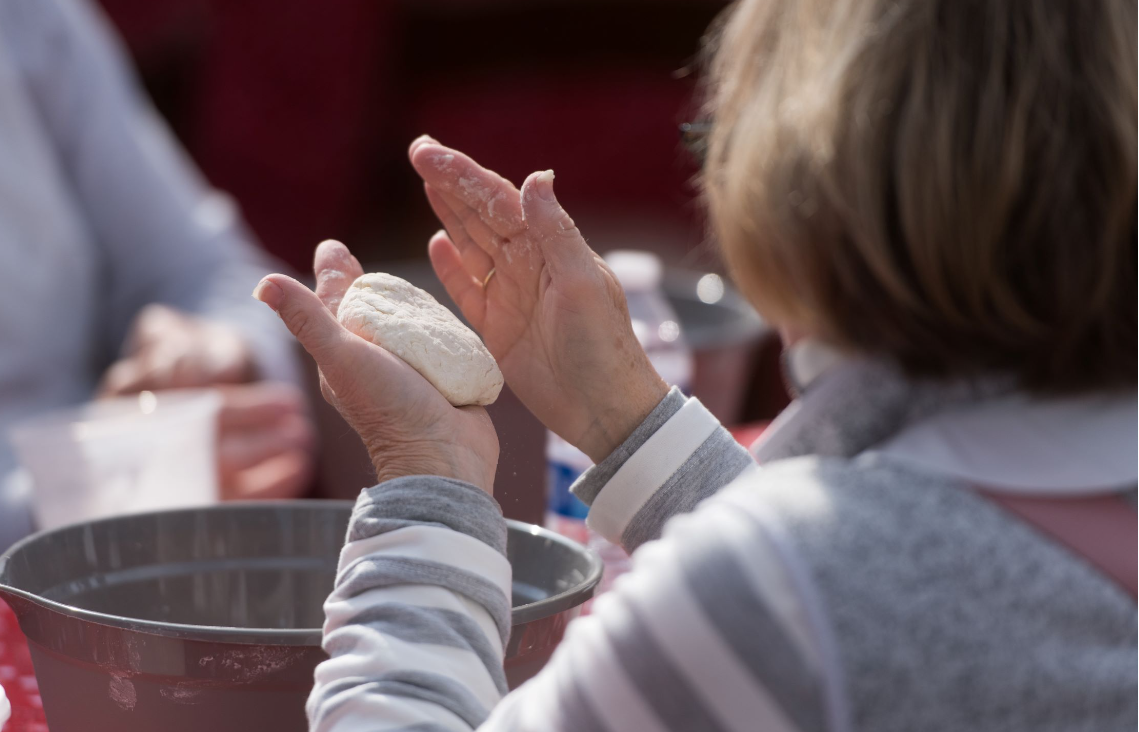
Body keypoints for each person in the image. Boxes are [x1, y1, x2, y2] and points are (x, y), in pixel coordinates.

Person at [253, 0, 1138, 729]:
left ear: (797, 180)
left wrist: (429, 479)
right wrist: (625, 424)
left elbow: (826, 594)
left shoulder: (788, 592)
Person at [0, 0, 314, 606]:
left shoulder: (7, 16)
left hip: (134, 553)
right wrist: (67, 503)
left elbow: (210, 271)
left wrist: (212, 352)